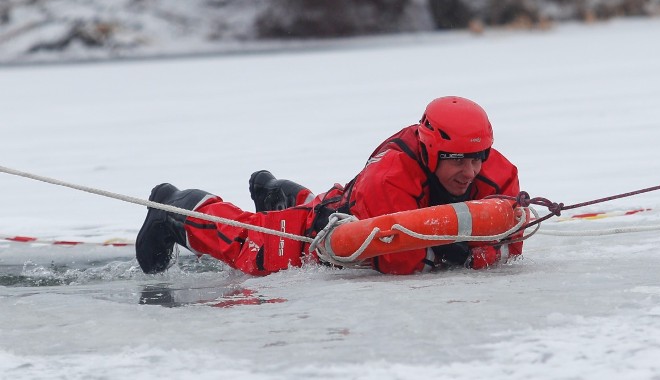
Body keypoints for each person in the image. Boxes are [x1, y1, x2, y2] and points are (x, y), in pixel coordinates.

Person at [135, 96, 523, 276]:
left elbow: (513, 243)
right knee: (251, 251)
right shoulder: (392, 176)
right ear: (433, 149)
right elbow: (399, 264)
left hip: (348, 201)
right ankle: (174, 207)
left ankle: (280, 193)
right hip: (328, 228)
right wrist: (463, 253)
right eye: (456, 160)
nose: (470, 172)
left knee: (322, 203)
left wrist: (468, 254)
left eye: (477, 158)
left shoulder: (496, 171)